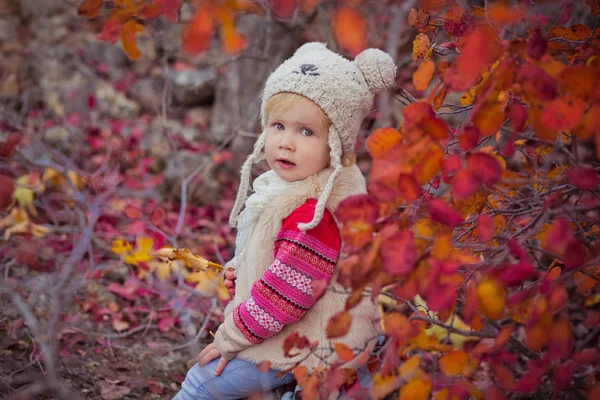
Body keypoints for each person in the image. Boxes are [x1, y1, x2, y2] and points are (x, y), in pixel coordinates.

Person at [174, 42, 396, 400]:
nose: (286, 143)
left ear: (336, 145)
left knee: (201, 382)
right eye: (278, 126)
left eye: (306, 132)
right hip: (300, 329)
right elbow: (284, 264)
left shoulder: (313, 214)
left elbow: (285, 296)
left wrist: (231, 338)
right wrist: (246, 269)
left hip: (315, 344)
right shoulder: (295, 189)